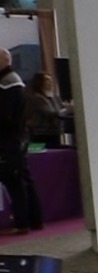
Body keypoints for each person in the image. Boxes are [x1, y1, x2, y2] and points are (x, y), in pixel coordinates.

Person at [0, 48, 42, 234]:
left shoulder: (8, 84)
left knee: (14, 180)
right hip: (16, 137)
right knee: (23, 178)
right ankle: (35, 220)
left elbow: (6, 116)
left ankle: (22, 222)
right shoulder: (14, 81)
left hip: (9, 139)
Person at [25, 72, 70, 149]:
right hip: (41, 133)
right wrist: (67, 110)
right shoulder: (37, 98)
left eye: (51, 80)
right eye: (47, 80)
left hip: (55, 132)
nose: (50, 82)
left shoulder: (55, 97)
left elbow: (61, 107)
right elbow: (50, 113)